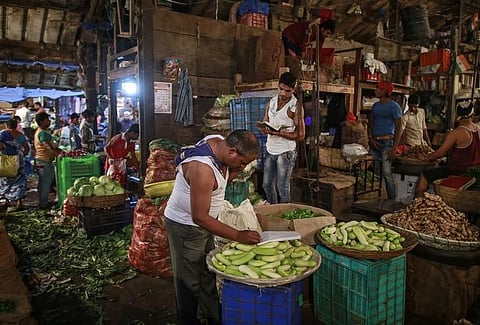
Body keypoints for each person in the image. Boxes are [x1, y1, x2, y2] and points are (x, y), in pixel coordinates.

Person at [164, 130, 260, 325]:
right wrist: (238, 235)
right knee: (188, 281)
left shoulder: (217, 143)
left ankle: (211, 316)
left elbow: (224, 179)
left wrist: (240, 166)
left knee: (208, 271)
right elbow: (199, 217)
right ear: (232, 151)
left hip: (207, 225)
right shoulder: (202, 168)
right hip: (186, 227)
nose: (243, 168)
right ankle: (189, 319)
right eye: (242, 163)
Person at [258, 72, 305, 204]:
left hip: (285, 152)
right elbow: (265, 121)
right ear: (278, 86)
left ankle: (284, 214)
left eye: (287, 91)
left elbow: (301, 135)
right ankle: (273, 209)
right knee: (266, 185)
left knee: (282, 188)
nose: (283, 93)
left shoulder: (295, 107)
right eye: (281, 89)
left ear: (293, 89)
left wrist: (279, 133)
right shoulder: (271, 102)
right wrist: (263, 128)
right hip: (270, 149)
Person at [416, 102, 480, 196]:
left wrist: (426, 157)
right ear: (472, 114)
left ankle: (418, 205)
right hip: (474, 171)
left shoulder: (456, 133)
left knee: (424, 176)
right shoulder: (478, 129)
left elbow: (439, 154)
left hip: (458, 171)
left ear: (457, 114)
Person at [367, 81, 403, 201]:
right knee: (374, 172)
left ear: (385, 91)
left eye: (379, 88)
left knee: (387, 173)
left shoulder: (394, 106)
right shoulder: (376, 106)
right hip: (375, 143)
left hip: (387, 143)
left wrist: (395, 148)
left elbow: (399, 127)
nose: (376, 90)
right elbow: (370, 122)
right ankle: (376, 197)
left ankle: (391, 200)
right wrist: (370, 138)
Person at [34, 112, 64, 209]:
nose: (49, 121)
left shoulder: (41, 131)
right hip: (43, 161)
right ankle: (43, 204)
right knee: (46, 182)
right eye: (47, 120)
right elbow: (49, 147)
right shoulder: (42, 133)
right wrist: (59, 154)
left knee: (43, 182)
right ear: (42, 122)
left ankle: (43, 201)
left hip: (40, 160)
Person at [0, 118, 29, 212]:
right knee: (20, 179)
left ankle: (6, 201)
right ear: (16, 125)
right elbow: (27, 148)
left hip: (6, 158)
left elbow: (0, 147)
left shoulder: (2, 134)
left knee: (6, 179)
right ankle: (19, 202)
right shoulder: (20, 135)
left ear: (6, 125)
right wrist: (21, 155)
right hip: (18, 158)